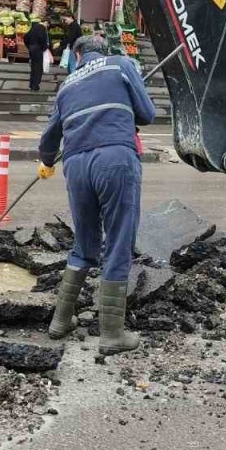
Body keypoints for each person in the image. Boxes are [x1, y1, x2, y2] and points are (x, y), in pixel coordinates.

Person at [36, 35, 156, 355]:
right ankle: (112, 335)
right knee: (117, 241)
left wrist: (47, 161)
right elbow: (147, 114)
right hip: (115, 159)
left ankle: (60, 322)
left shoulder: (66, 87)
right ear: (104, 51)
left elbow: (48, 139)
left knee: (84, 243)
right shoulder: (121, 65)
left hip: (75, 166)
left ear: (77, 56)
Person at [24, 17, 49, 91]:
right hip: (38, 49)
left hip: (32, 48)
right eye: (47, 24)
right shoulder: (42, 28)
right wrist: (45, 47)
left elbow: (26, 37)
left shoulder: (34, 27)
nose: (47, 26)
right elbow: (42, 38)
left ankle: (31, 84)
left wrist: (28, 46)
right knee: (38, 67)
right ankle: (35, 85)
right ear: (46, 22)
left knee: (33, 67)